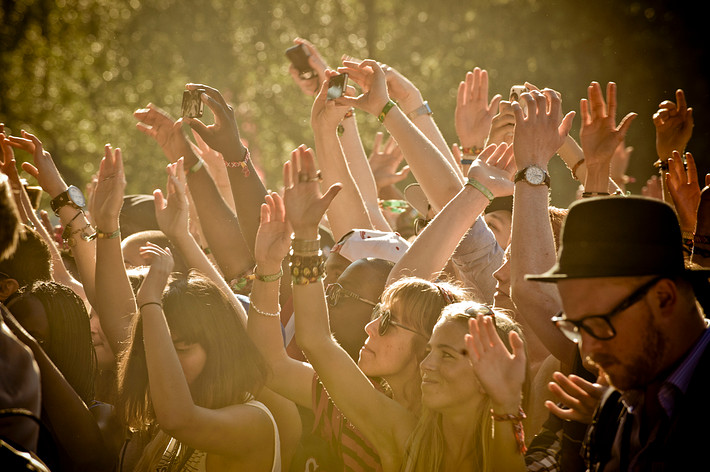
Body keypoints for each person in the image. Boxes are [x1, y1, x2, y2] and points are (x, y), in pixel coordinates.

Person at [526, 196, 710, 471]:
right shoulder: (616, 403)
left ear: (663, 298)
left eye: (598, 324)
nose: (587, 354)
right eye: (576, 328)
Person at [118, 246, 283, 471]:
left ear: (219, 350)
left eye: (182, 350)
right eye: (161, 350)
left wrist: (150, 302)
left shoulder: (253, 421)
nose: (168, 362)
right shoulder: (175, 415)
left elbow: (178, 419)